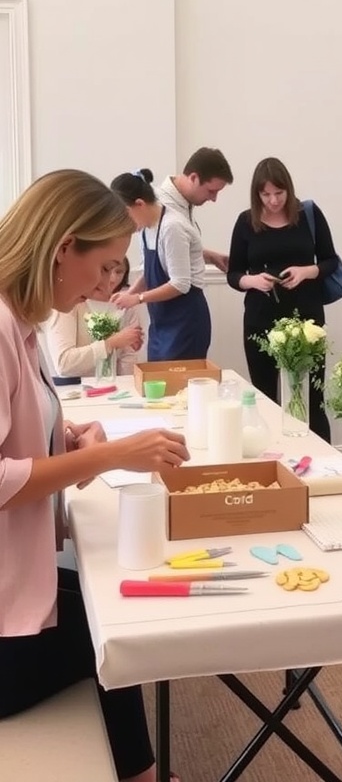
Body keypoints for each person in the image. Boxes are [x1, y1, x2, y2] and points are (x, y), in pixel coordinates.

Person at [0, 168, 189, 782]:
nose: (110, 285)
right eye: (106, 267)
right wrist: (107, 456)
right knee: (117, 638)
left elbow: (18, 433)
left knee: (107, 616)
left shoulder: (19, 324)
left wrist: (67, 438)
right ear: (62, 250)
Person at [227, 157, 338, 441]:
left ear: (289, 190)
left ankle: (322, 459)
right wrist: (252, 281)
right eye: (266, 194)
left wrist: (306, 271)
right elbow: (234, 273)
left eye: (279, 193)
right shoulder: (245, 222)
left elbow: (330, 262)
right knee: (265, 397)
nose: (273, 200)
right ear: (257, 194)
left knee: (312, 398)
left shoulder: (308, 215)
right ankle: (276, 459)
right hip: (260, 319)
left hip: (306, 321)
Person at [110, 168, 212, 360]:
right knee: (157, 382)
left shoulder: (171, 226)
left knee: (178, 383)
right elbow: (150, 273)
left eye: (124, 216)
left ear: (139, 204)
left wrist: (139, 298)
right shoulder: (146, 228)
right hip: (161, 322)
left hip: (186, 320)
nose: (124, 224)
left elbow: (180, 284)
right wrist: (128, 294)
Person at [45, 257, 144, 377]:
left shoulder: (126, 306)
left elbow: (128, 358)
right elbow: (64, 364)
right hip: (73, 389)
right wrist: (111, 343)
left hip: (114, 389)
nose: (112, 279)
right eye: (106, 270)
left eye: (119, 272)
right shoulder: (68, 303)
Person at [156, 147, 233, 273]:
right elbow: (161, 261)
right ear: (193, 178)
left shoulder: (183, 203)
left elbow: (174, 250)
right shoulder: (162, 209)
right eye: (211, 191)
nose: (214, 199)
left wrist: (210, 257)